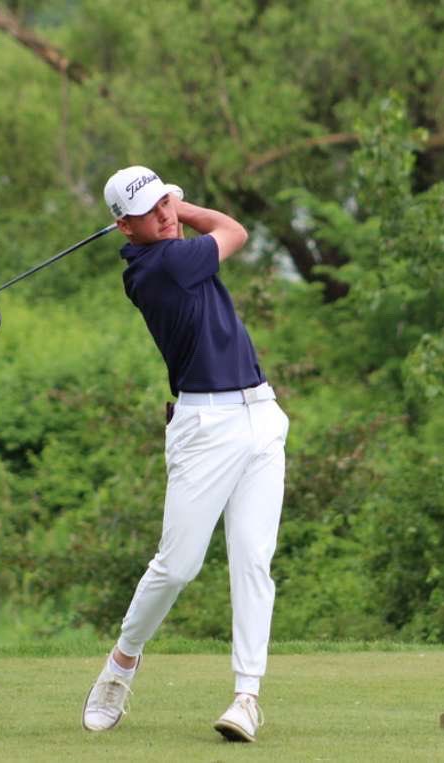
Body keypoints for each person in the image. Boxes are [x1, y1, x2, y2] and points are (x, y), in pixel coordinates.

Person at [81, 166, 289, 743]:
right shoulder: (160, 267)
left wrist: (169, 202)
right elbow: (235, 230)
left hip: (262, 414)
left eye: (163, 204)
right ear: (125, 228)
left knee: (253, 560)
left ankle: (246, 698)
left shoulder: (168, 247)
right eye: (149, 213)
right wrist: (185, 202)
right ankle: (121, 663)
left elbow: (221, 231)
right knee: (178, 566)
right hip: (205, 427)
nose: (164, 216)